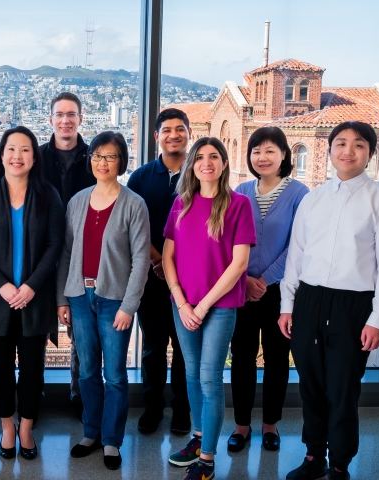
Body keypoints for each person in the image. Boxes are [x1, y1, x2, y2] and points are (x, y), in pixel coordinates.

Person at [280, 121, 379, 480]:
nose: (349, 150)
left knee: (343, 389)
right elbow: (296, 258)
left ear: (370, 154)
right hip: (309, 301)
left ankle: (339, 465)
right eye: (341, 143)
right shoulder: (312, 199)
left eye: (359, 145)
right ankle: (314, 456)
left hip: (354, 306)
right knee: (311, 387)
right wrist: (287, 306)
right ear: (330, 150)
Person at [0, 126, 65, 461]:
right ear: (2, 153)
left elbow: (55, 246)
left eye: (25, 150)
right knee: (1, 366)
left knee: (34, 367)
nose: (17, 156)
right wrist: (4, 286)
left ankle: (26, 427)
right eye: (11, 149)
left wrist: (31, 286)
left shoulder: (49, 195)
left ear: (34, 157)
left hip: (35, 297)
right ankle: (7, 426)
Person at [163, 138, 256, 480]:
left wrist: (201, 306)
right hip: (183, 305)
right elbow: (168, 256)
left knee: (210, 378)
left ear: (224, 163)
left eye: (213, 156)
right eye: (200, 157)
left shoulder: (238, 204)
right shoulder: (181, 204)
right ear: (192, 165)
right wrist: (181, 300)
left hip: (219, 306)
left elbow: (239, 264)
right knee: (190, 373)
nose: (206, 162)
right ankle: (198, 437)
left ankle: (207, 459)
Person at [57, 131, 150, 470]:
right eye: (97, 156)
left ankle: (111, 440)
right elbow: (66, 253)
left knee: (114, 374)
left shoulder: (133, 204)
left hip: (114, 300)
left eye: (110, 156)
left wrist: (129, 306)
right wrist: (62, 299)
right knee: (86, 373)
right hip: (80, 296)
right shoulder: (78, 201)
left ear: (121, 161)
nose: (102, 162)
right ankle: (90, 432)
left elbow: (141, 259)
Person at [227, 127, 308, 454]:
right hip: (241, 288)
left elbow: (299, 245)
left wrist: (267, 278)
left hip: (281, 293)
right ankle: (241, 425)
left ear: (284, 155)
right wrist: (245, 279)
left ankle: (271, 424)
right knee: (242, 357)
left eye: (270, 150)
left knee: (277, 359)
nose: (262, 157)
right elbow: (228, 239)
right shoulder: (241, 190)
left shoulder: (300, 194)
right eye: (256, 151)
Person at [126, 108, 193, 435]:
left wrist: (179, 269)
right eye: (167, 130)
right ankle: (152, 407)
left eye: (180, 129)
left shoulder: (200, 174)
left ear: (188, 134)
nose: (173, 135)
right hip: (152, 279)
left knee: (184, 348)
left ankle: (182, 409)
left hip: (192, 280)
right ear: (156, 137)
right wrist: (158, 262)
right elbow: (135, 229)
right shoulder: (140, 177)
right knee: (153, 347)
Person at [41, 92, 96, 419]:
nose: (65, 120)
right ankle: (34, 396)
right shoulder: (35, 157)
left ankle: (80, 398)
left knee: (82, 332)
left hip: (81, 256)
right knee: (35, 329)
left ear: (80, 118)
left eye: (71, 114)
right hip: (43, 255)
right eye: (59, 114)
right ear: (50, 119)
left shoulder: (94, 158)